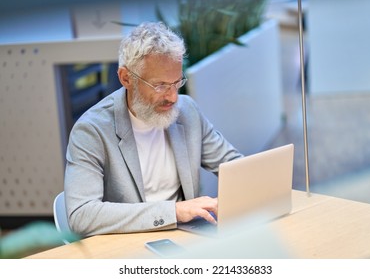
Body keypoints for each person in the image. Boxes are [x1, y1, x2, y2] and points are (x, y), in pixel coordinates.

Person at [64, 21, 243, 237]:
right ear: (126, 78)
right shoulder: (91, 131)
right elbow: (81, 215)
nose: (173, 97)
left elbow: (235, 166)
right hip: (129, 243)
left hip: (187, 236)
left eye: (177, 83)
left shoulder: (187, 112)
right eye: (160, 86)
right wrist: (174, 212)